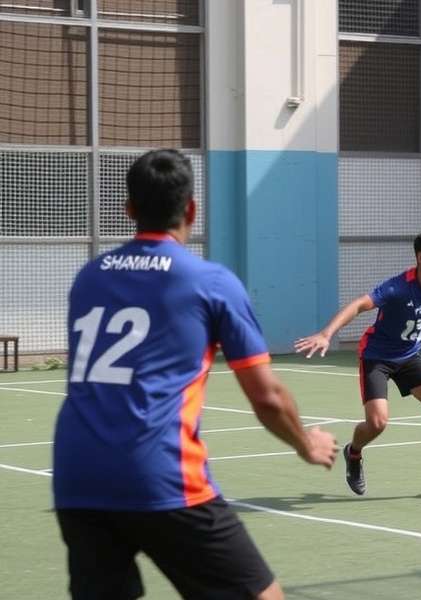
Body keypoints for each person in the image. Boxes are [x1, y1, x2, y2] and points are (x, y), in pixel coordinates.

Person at [52, 149, 338, 600]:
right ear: (191, 209)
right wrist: (306, 442)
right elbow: (266, 396)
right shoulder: (210, 282)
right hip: (160, 474)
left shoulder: (88, 277)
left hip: (77, 476)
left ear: (129, 210)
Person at [294, 230, 421, 495]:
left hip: (409, 356)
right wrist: (327, 333)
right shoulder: (398, 287)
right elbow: (360, 304)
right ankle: (354, 453)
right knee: (377, 424)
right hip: (377, 357)